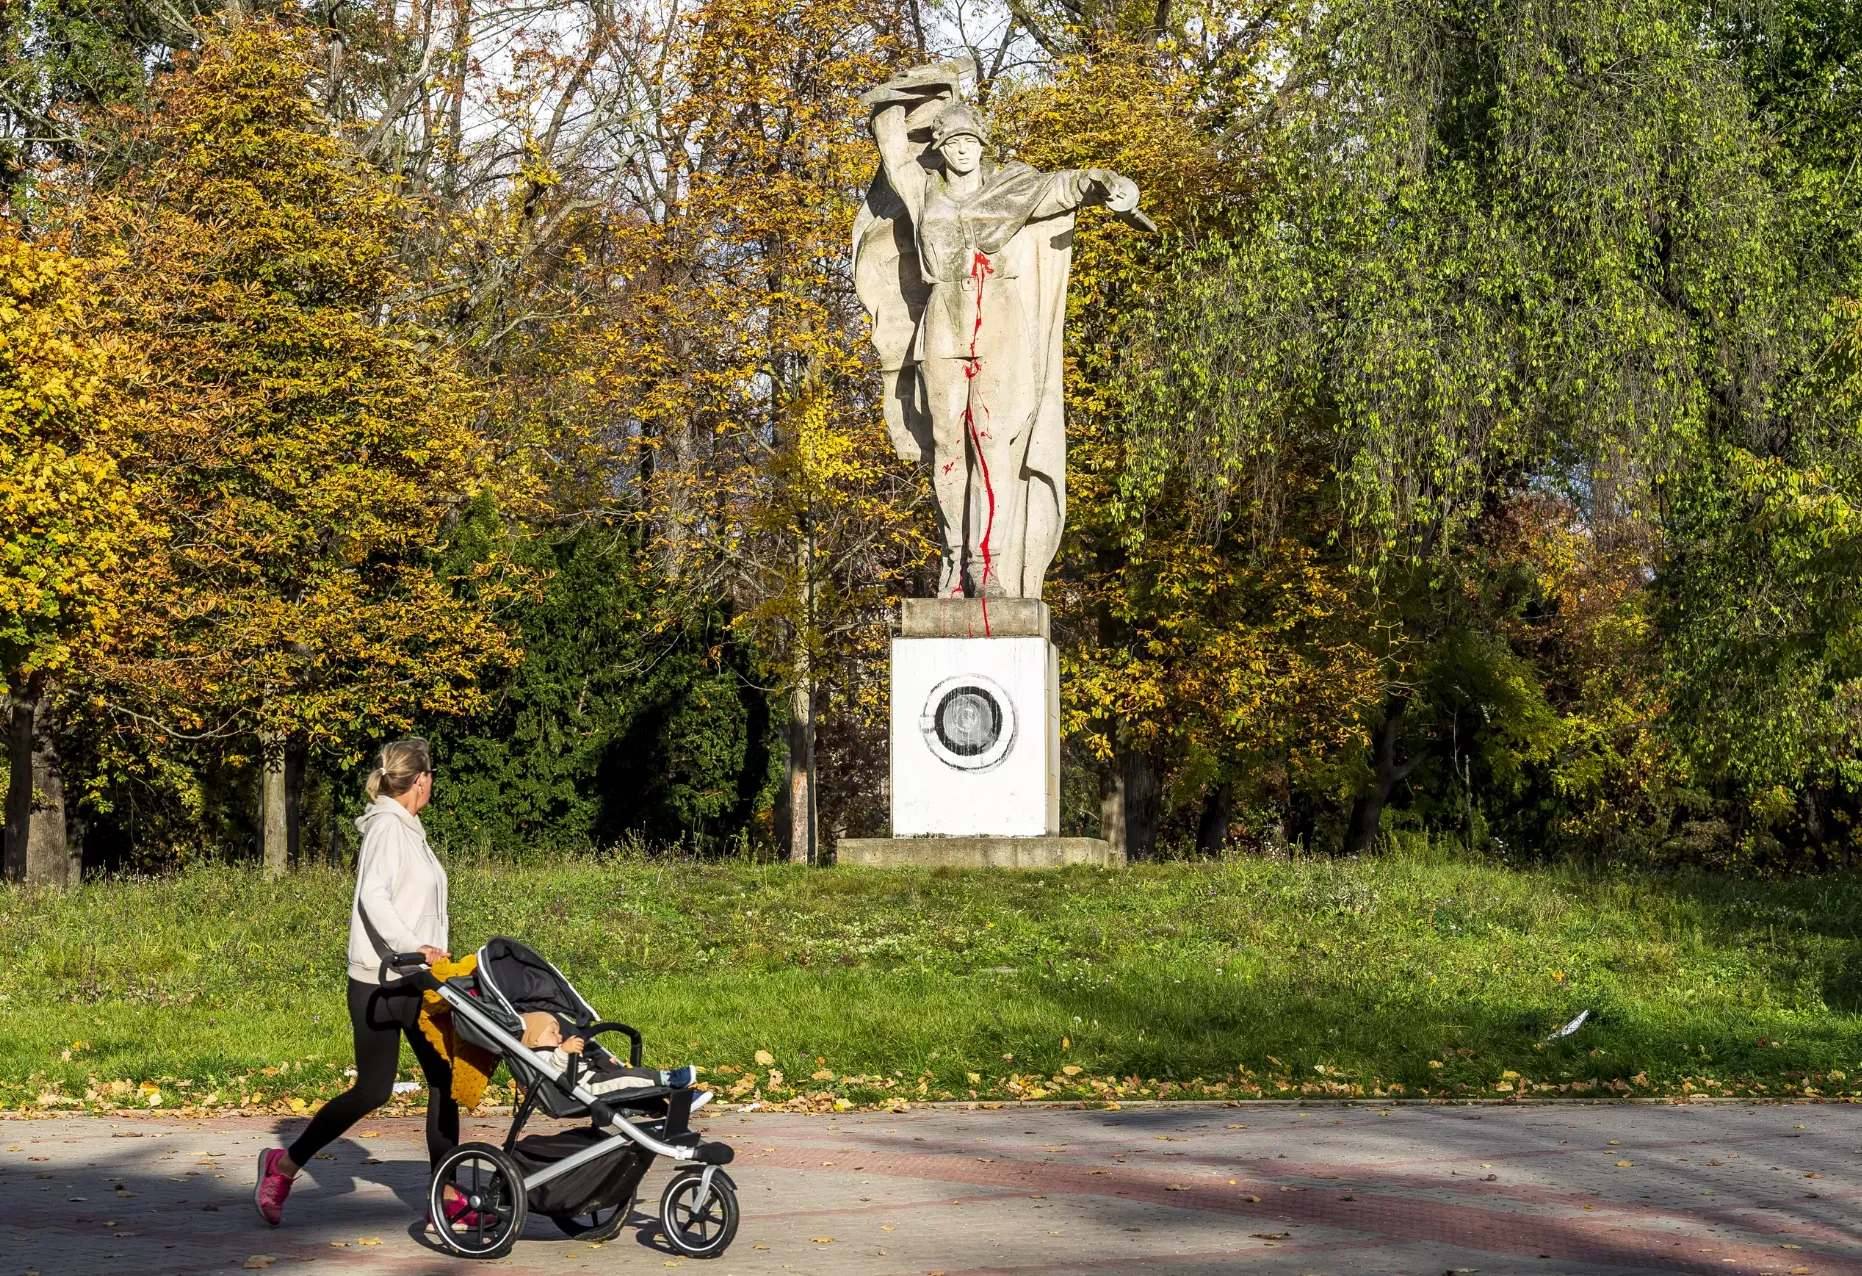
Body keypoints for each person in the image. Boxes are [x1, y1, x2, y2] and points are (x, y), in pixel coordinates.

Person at [253, 738, 464, 1230]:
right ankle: (281, 1167)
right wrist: (413, 946)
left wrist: (427, 956)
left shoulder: (410, 828)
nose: (432, 783)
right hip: (380, 983)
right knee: (372, 1090)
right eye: (431, 776)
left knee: (445, 1079)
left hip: (419, 981)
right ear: (421, 780)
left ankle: (446, 1194)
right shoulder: (387, 829)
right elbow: (373, 896)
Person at [518, 1011, 696, 1095]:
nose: (559, 1036)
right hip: (584, 1088)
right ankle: (670, 1080)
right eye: (552, 1033)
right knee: (627, 1077)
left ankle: (672, 1093)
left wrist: (602, 1062)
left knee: (630, 1073)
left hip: (590, 1078)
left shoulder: (553, 1050)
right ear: (534, 1039)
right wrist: (565, 1051)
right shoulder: (537, 1056)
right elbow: (553, 1067)